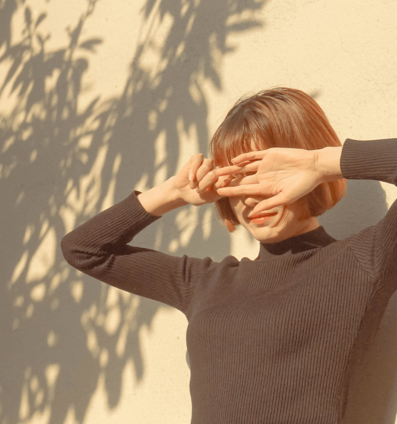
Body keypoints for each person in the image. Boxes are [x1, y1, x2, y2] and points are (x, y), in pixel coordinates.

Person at [61, 87, 397, 423]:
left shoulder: (361, 262)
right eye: (235, 181)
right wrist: (173, 193)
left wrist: (320, 162)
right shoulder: (204, 282)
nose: (249, 196)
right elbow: (85, 249)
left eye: (263, 175)